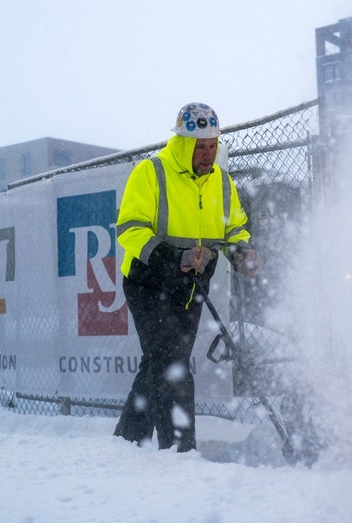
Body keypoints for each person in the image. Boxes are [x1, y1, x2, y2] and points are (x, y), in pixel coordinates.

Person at [113, 102, 261, 452]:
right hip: (148, 283)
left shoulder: (222, 182)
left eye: (213, 145)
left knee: (160, 360)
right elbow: (129, 229)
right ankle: (179, 453)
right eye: (200, 146)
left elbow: (234, 227)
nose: (208, 154)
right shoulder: (151, 173)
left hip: (190, 286)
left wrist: (241, 252)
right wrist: (174, 259)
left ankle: (128, 440)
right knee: (171, 363)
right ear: (182, 143)